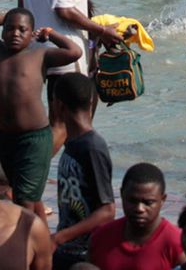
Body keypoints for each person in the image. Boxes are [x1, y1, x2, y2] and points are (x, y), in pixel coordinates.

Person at [0, 7, 81, 212]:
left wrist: (50, 34)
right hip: (6, 137)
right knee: (23, 195)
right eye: (9, 28)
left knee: (24, 199)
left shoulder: (40, 54)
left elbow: (74, 52)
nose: (15, 33)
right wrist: (5, 16)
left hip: (34, 139)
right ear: (2, 31)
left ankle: (24, 232)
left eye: (22, 29)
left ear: (31, 33)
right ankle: (41, 232)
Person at [51, 73, 116, 269]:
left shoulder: (92, 148)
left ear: (58, 106)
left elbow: (107, 210)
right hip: (66, 250)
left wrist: (60, 237)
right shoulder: (72, 143)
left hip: (85, 255)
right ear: (91, 102)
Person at [87, 162, 185, 270]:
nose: (139, 208)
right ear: (122, 194)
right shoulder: (100, 237)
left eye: (148, 203)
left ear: (163, 199)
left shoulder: (177, 243)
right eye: (132, 201)